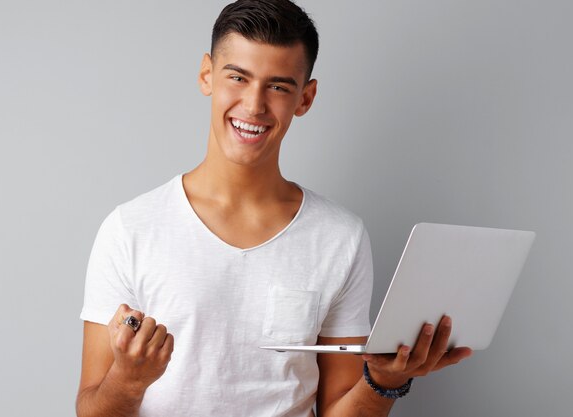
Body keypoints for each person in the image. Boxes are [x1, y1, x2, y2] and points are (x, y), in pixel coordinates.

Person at [76, 1, 472, 416]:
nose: (253, 105)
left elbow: (340, 408)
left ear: (306, 97)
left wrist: (386, 381)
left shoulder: (341, 237)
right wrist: (128, 379)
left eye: (278, 86)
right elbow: (91, 410)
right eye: (238, 78)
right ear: (206, 74)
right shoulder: (131, 229)